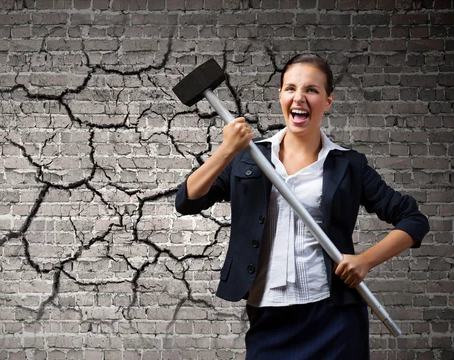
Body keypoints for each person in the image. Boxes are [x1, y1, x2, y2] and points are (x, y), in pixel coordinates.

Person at [174, 53, 430, 359]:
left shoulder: (348, 164)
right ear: (280, 95)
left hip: (333, 317)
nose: (300, 97)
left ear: (328, 101)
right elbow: (187, 200)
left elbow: (413, 220)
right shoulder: (248, 158)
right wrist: (226, 150)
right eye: (291, 88)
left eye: (312, 90)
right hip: (268, 315)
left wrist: (365, 260)